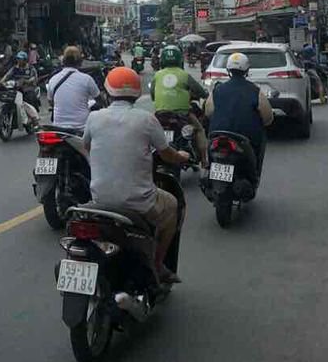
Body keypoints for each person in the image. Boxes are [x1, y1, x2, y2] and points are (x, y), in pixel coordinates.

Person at [83, 67, 193, 283]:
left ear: (107, 92)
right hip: (138, 202)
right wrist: (182, 156)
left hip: (99, 200)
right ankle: (158, 265)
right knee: (172, 205)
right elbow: (167, 154)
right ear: (136, 93)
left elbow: (87, 146)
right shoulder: (147, 120)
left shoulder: (94, 117)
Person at [205, 51, 274, 180]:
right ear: (247, 70)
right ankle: (254, 174)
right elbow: (267, 117)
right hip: (246, 138)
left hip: (217, 134)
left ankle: (208, 168)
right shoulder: (255, 91)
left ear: (228, 69)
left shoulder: (217, 89)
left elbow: (208, 112)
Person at [151, 43, 209, 167]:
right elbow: (201, 92)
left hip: (160, 115)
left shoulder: (157, 75)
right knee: (199, 129)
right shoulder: (184, 75)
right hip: (182, 115)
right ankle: (204, 161)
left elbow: (152, 95)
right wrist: (204, 94)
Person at [47, 46, 102, 130]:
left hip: (58, 127)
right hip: (82, 127)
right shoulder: (87, 79)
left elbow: (51, 102)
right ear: (80, 62)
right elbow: (99, 100)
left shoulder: (53, 79)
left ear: (63, 61)